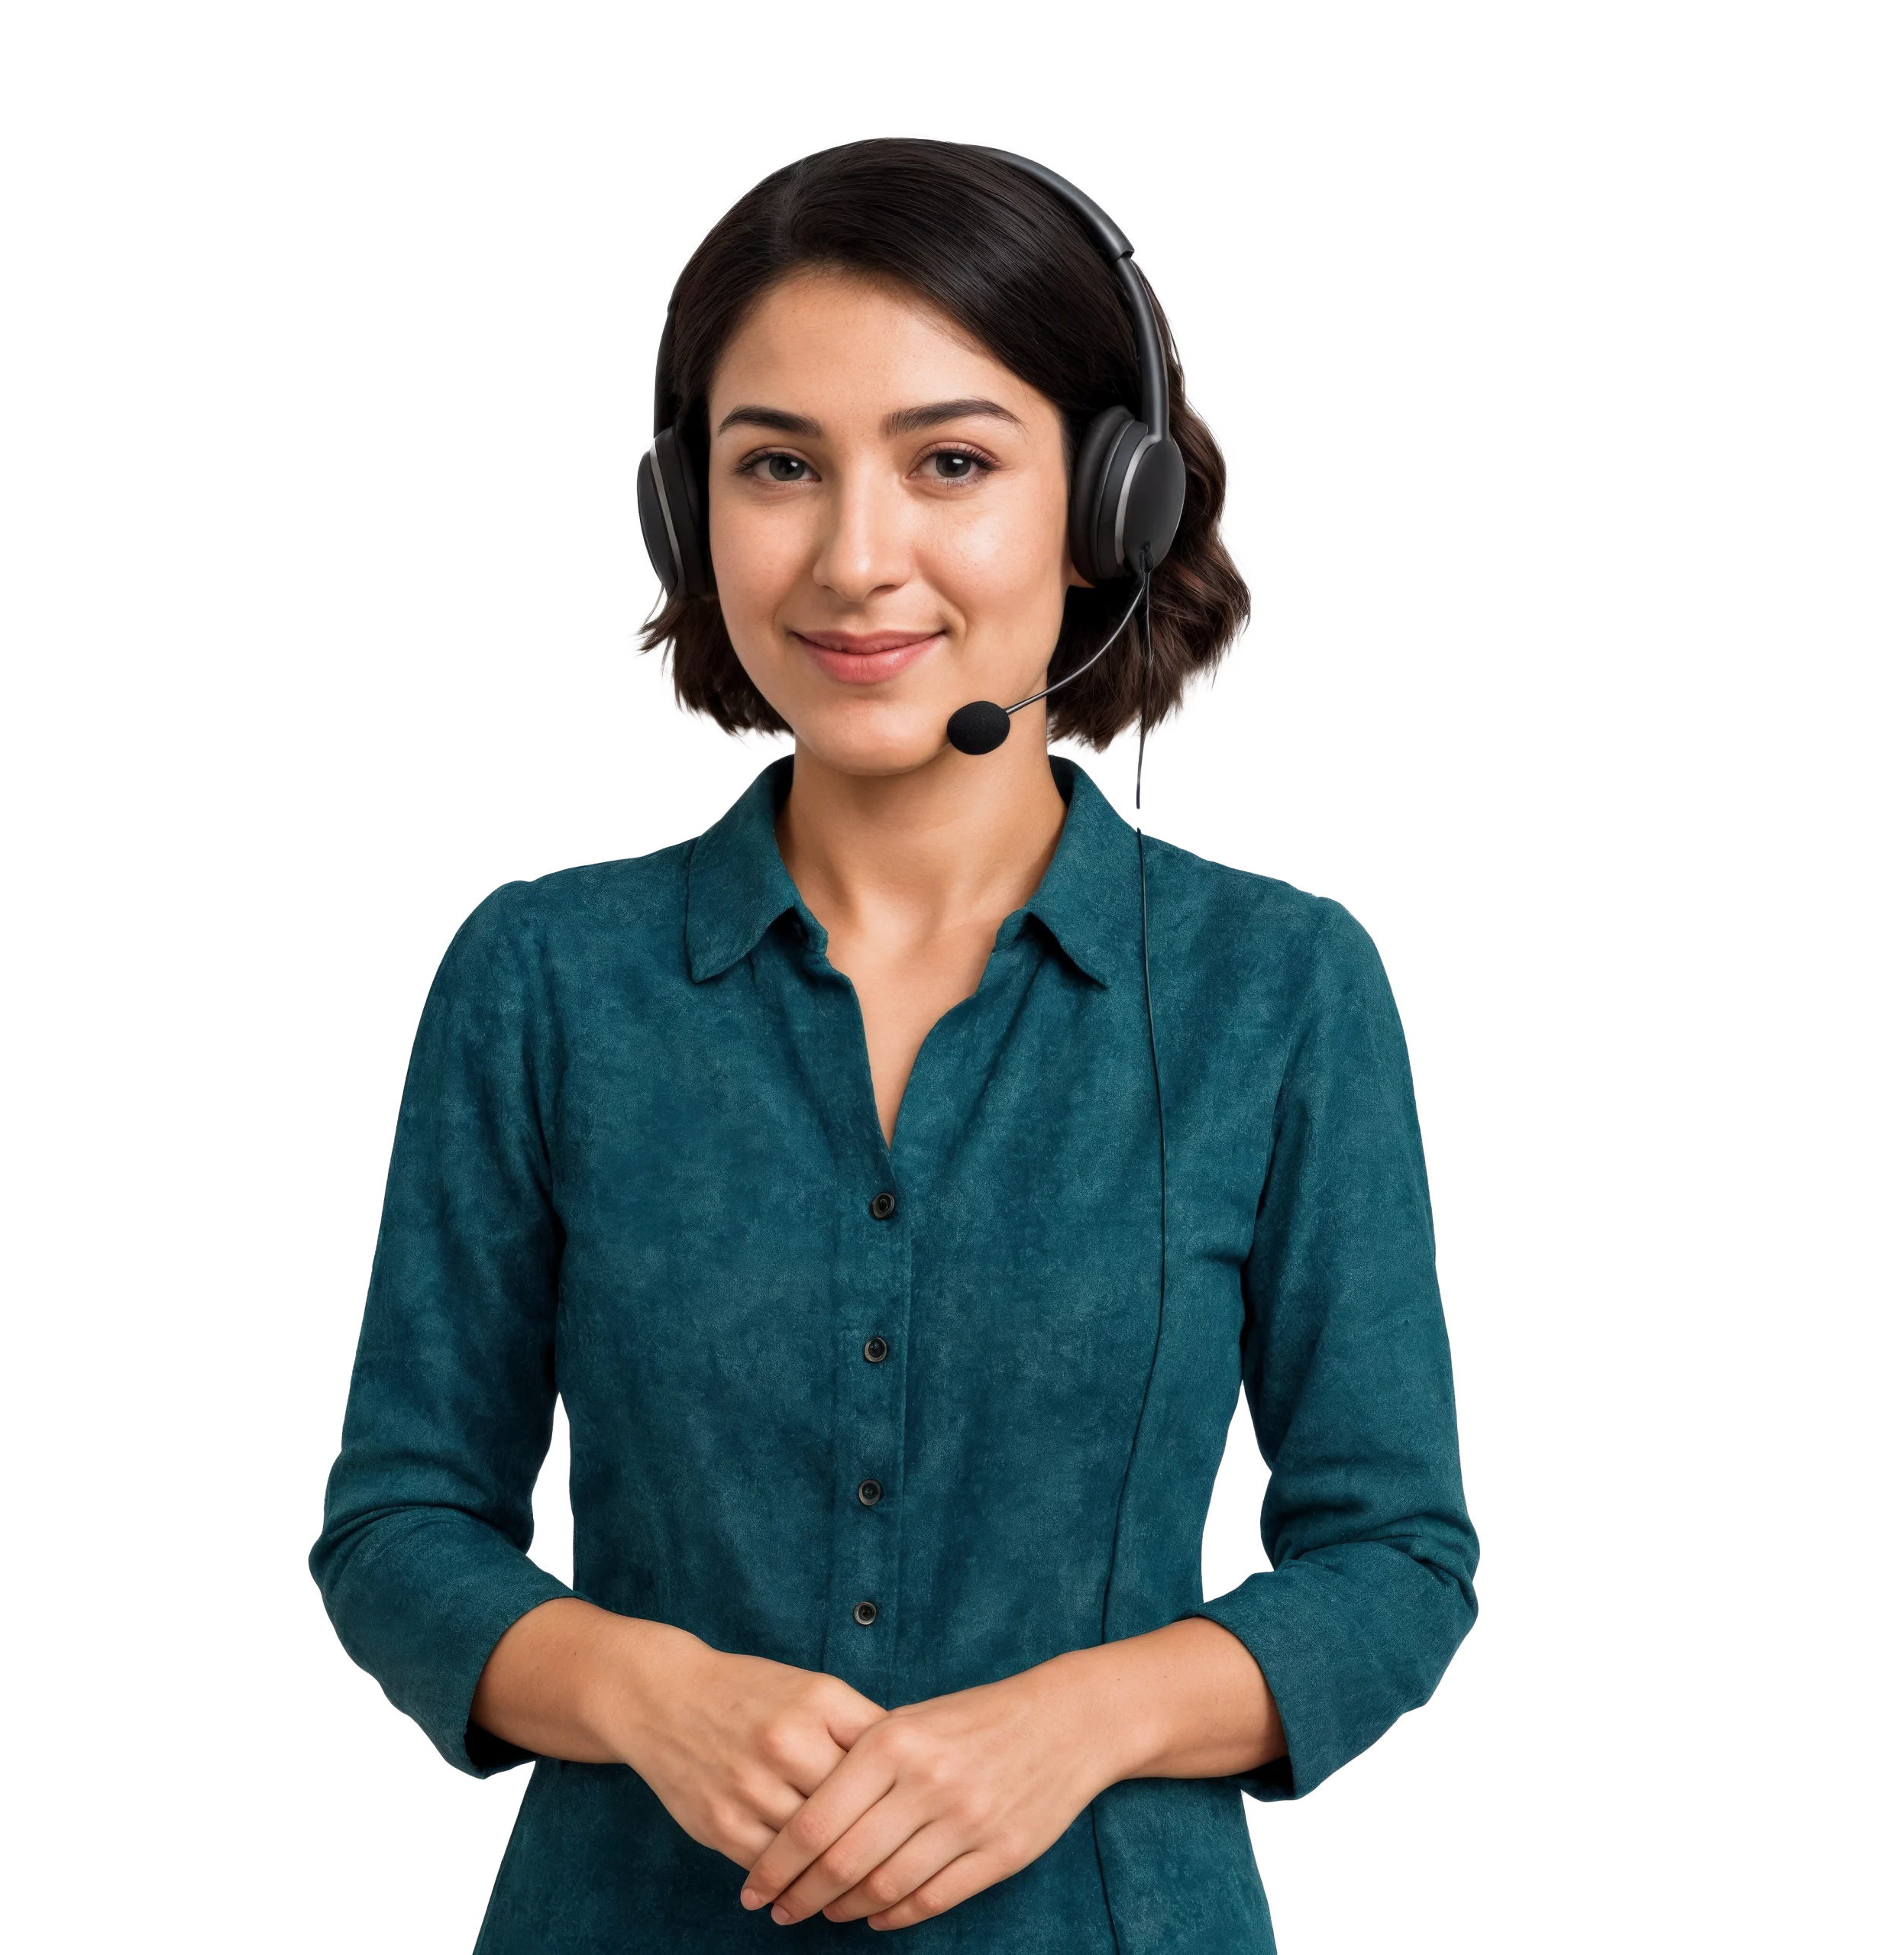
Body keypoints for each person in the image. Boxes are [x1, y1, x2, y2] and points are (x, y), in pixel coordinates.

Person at [309, 136, 1479, 1952]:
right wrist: (647, 1690)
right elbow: (394, 1524)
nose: (856, 560)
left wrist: (1063, 1726)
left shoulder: (1283, 983)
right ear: (682, 512)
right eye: (776, 464)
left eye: (950, 462)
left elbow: (1395, 1560)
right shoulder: (537, 974)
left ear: (1110, 503)